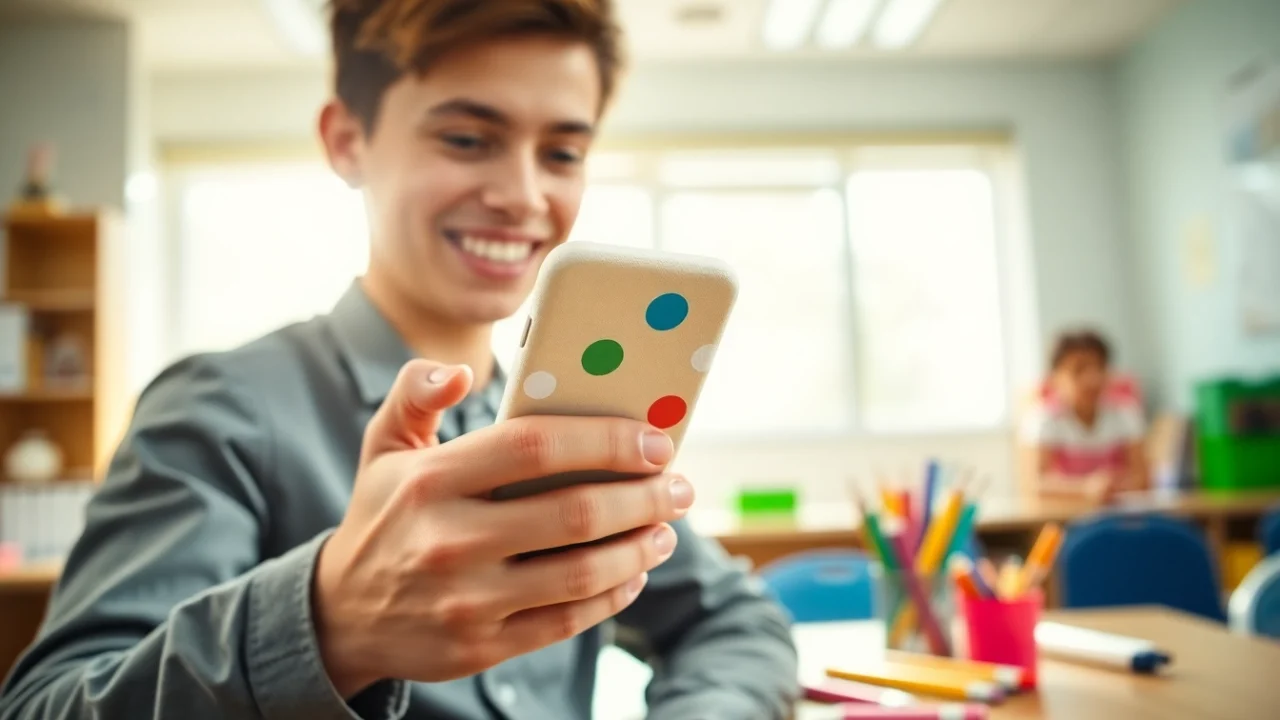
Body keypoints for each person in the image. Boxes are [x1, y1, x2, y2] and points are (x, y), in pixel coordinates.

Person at [0, 1, 799, 718]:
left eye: (561, 154)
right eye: (466, 138)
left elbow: (737, 623)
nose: (523, 194)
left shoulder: (572, 423)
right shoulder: (220, 410)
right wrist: (324, 625)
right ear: (348, 141)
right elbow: (48, 704)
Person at [1019, 329, 1150, 502]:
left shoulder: (1125, 412)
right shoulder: (1045, 418)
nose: (1092, 379)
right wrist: (1085, 489)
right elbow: (1037, 484)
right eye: (1078, 370)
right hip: (1064, 517)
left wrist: (1115, 487)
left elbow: (1143, 477)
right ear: (1055, 377)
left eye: (1099, 368)